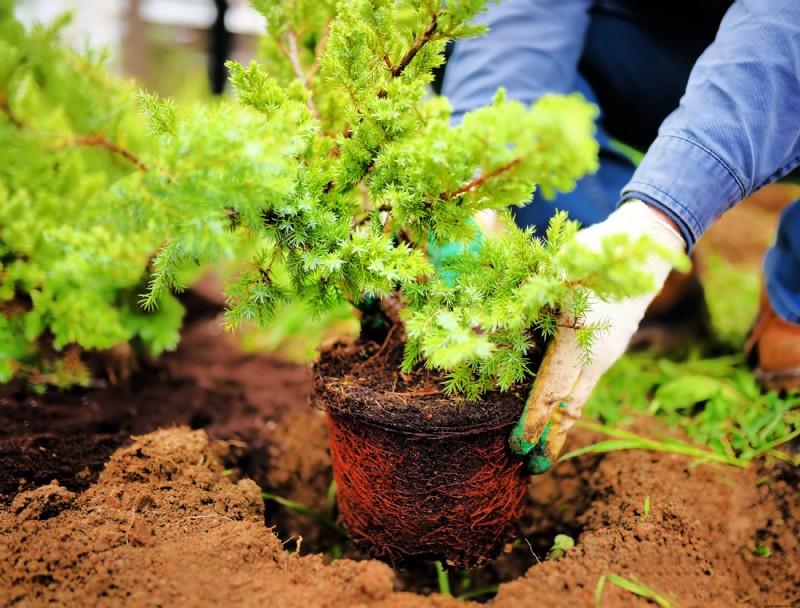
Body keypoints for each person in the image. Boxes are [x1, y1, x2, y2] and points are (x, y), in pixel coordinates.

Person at [439, 0, 800, 473]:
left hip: (780, 53)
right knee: (455, 34)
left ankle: (789, 305)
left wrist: (659, 219)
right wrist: (477, 159)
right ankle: (629, 270)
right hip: (650, 43)